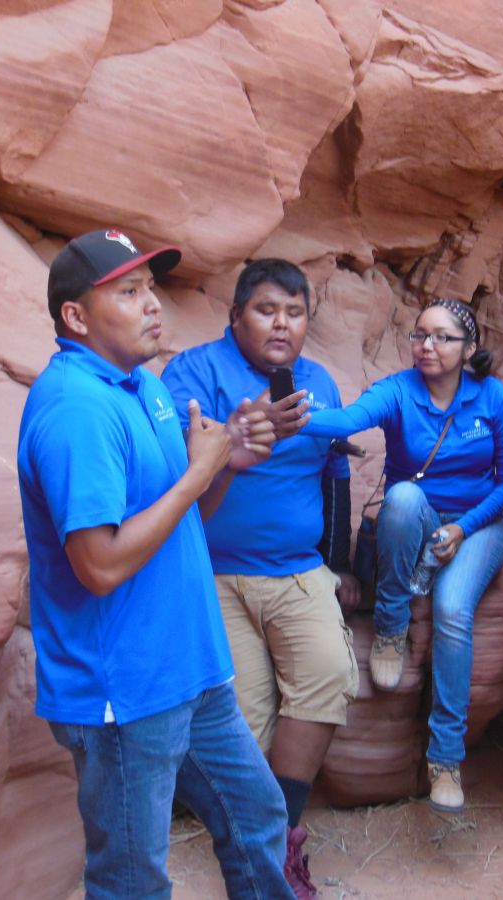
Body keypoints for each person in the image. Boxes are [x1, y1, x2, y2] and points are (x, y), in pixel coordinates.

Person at [17, 230, 295, 899]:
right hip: (124, 694)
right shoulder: (77, 409)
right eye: (128, 292)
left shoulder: (142, 386)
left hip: (188, 669)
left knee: (257, 815)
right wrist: (196, 474)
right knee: (131, 881)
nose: (152, 307)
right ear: (75, 317)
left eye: (151, 290)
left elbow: (178, 524)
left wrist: (223, 465)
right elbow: (101, 567)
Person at [162, 258, 359, 899]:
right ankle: (264, 847)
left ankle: (280, 839)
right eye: (266, 309)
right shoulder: (193, 372)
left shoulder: (318, 381)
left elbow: (336, 479)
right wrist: (230, 451)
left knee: (328, 672)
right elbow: (169, 483)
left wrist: (343, 562)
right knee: (242, 719)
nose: (282, 323)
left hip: (298, 569)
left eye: (295, 312)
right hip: (213, 573)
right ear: (235, 316)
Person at [285, 297, 503, 814]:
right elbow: (346, 420)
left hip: (476, 525)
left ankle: (445, 760)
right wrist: (291, 412)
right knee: (403, 497)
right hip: (415, 519)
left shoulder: (493, 398)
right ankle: (391, 627)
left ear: (469, 348)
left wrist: (463, 527)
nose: (426, 346)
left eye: (441, 337)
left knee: (454, 613)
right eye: (419, 335)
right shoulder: (398, 391)